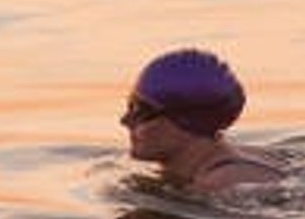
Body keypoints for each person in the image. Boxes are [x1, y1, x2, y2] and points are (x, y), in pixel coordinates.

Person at [121, 48, 286, 193]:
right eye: (129, 106)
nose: (125, 121)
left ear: (184, 120)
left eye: (140, 111)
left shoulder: (221, 185)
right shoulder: (229, 161)